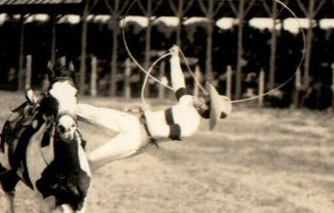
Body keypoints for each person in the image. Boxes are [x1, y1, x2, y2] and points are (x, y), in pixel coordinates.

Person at [75, 45, 232, 169]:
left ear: (205, 107)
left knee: (92, 158)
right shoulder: (188, 103)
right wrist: (174, 58)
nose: (200, 95)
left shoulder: (190, 126)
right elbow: (178, 83)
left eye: (204, 97)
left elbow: (157, 131)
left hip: (137, 140)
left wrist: (147, 111)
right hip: (133, 122)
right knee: (85, 111)